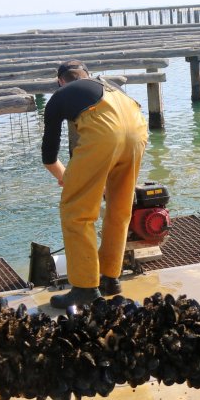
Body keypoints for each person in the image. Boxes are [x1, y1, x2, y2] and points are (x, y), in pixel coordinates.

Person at [42, 60, 148, 312]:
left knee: (76, 213)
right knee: (120, 208)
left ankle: (85, 288)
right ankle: (111, 278)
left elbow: (49, 155)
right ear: (88, 76)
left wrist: (65, 177)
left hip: (105, 135)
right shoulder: (110, 86)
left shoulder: (59, 97)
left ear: (60, 81)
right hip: (137, 129)